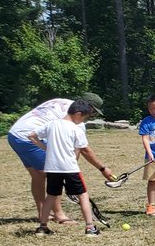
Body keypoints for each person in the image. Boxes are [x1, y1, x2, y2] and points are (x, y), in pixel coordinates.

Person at [7, 92, 104, 225]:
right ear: (87, 108)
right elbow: (84, 149)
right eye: (92, 111)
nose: (92, 114)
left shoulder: (61, 101)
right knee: (54, 175)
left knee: (38, 175)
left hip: (14, 135)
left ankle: (42, 214)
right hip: (29, 136)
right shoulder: (77, 119)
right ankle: (59, 215)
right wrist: (103, 169)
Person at [27, 98, 115, 236]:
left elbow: (31, 136)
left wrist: (46, 148)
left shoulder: (51, 125)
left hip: (52, 168)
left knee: (51, 196)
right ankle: (90, 228)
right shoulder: (76, 129)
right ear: (78, 114)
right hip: (70, 168)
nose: (83, 121)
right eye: (84, 118)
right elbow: (81, 149)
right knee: (83, 195)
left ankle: (42, 227)